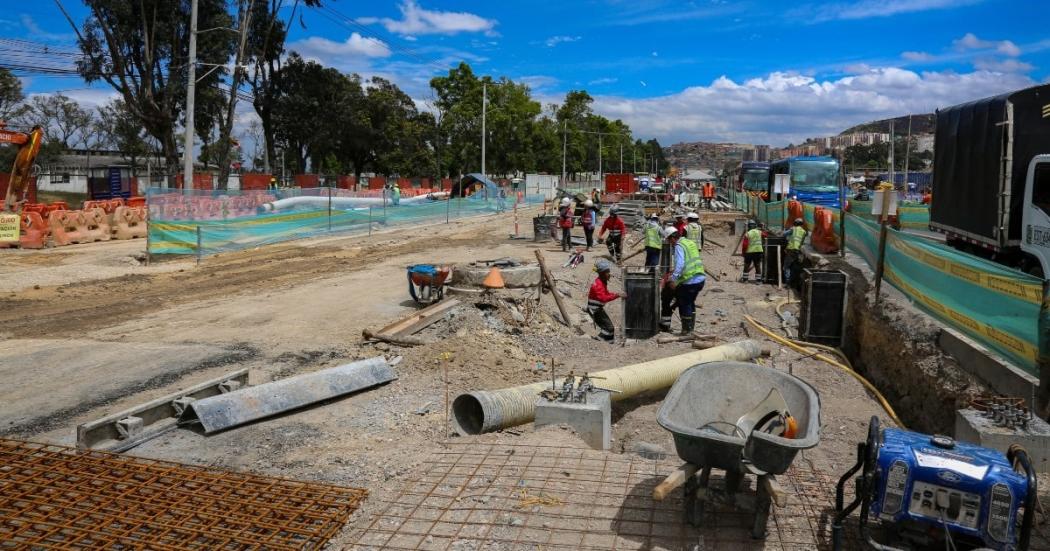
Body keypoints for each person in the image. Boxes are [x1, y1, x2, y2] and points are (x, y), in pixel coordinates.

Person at [659, 227, 706, 334]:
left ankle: (686, 331)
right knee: (690, 303)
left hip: (689, 281)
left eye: (668, 240)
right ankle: (690, 328)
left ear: (672, 238)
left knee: (684, 304)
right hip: (700, 279)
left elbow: (680, 265)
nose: (669, 243)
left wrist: (673, 280)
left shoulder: (679, 246)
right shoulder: (689, 243)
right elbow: (690, 261)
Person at [587, 259, 623, 342]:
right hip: (594, 310)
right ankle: (597, 342)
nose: (609, 274)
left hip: (597, 308)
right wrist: (617, 295)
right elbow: (604, 298)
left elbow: (607, 294)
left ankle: (609, 342)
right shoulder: (598, 285)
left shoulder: (602, 282)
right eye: (607, 272)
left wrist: (617, 294)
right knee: (609, 328)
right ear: (601, 273)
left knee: (609, 328)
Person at [782, 218, 807, 285]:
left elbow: (784, 234)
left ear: (795, 223)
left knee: (786, 267)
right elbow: (801, 242)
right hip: (797, 251)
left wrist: (786, 232)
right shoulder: (804, 232)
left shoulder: (793, 229)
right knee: (794, 266)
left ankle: (788, 282)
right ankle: (794, 282)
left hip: (791, 249)